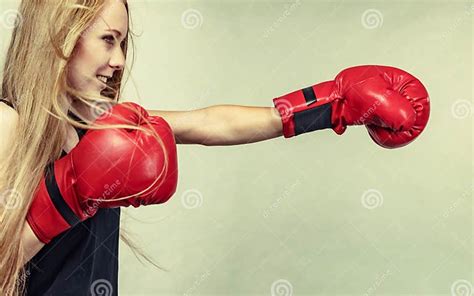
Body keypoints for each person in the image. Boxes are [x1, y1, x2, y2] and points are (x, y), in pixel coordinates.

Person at [0, 0, 430, 295]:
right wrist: (67, 192)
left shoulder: (102, 125)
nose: (119, 61)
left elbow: (209, 123)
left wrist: (331, 104)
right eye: (108, 40)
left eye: (123, 44)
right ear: (59, 36)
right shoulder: (9, 122)